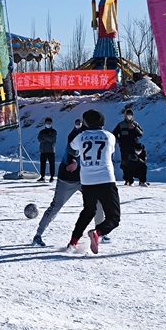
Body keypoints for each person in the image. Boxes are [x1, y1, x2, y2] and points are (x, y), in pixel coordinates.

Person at [32, 119, 106, 247]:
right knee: (56, 206)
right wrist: (74, 162)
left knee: (98, 202)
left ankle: (100, 233)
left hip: (84, 179)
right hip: (68, 178)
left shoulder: (96, 135)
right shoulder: (76, 134)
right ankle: (38, 235)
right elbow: (69, 154)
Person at [66, 109, 121, 254]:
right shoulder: (109, 136)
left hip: (87, 180)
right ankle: (98, 232)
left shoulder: (80, 137)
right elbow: (111, 153)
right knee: (114, 217)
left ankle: (73, 241)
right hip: (105, 179)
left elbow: (72, 149)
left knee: (88, 211)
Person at [112, 108, 144, 185]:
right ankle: (128, 179)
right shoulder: (121, 125)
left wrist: (135, 128)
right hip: (124, 146)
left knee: (136, 161)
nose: (129, 116)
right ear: (125, 116)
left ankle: (140, 179)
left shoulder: (135, 124)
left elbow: (140, 134)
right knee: (125, 162)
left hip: (134, 146)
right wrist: (119, 141)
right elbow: (114, 134)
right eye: (128, 115)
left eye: (131, 115)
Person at [37, 117, 57, 182]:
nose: (48, 124)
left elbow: (52, 139)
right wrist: (47, 138)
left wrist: (44, 137)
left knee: (52, 164)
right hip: (43, 150)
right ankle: (42, 176)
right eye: (47, 123)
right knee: (42, 164)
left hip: (51, 150)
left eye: (49, 123)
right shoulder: (42, 131)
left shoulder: (53, 131)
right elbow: (40, 139)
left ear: (52, 123)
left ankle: (52, 177)